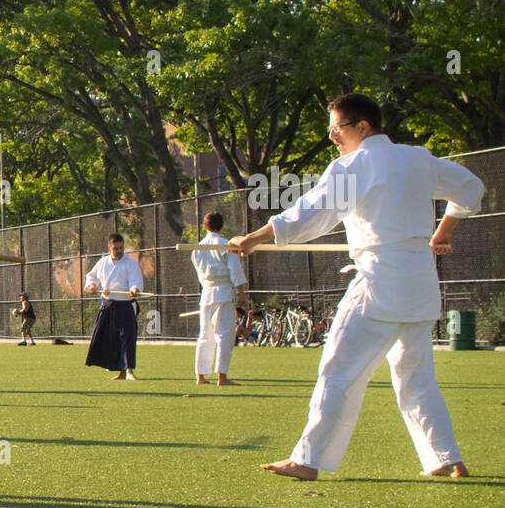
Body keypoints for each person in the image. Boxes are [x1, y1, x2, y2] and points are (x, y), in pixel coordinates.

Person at [226, 92, 483, 479]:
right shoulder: (419, 159)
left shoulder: (354, 165)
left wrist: (254, 238)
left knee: (338, 370)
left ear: (362, 126)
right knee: (416, 378)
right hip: (420, 281)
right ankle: (446, 458)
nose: (332, 137)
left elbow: (312, 213)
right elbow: (472, 188)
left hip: (381, 280)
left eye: (337, 128)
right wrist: (444, 228)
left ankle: (307, 460)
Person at [190, 212, 248, 385]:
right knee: (224, 335)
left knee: (205, 335)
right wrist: (241, 293)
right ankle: (221, 376)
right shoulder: (226, 245)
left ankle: (200, 375)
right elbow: (235, 271)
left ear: (205, 226)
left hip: (206, 291)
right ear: (221, 226)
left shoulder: (197, 248)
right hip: (222, 291)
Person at [84, 233, 143, 380]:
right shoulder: (103, 262)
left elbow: (135, 281)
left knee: (127, 338)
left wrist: (134, 289)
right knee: (111, 339)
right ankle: (120, 372)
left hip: (125, 305)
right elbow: (91, 277)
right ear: (109, 248)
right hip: (108, 305)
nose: (119, 251)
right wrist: (91, 286)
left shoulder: (130, 263)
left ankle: (129, 371)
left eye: (121, 248)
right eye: (116, 248)